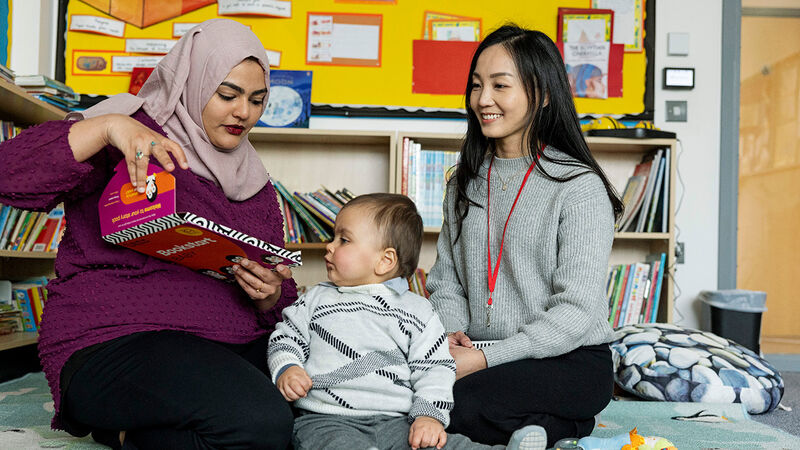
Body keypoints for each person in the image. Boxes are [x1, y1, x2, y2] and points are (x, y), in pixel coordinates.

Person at [0, 19, 295, 449]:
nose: (243, 113)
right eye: (227, 95)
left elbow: (280, 298)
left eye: (257, 99)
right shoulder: (126, 131)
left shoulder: (255, 183)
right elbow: (9, 174)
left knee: (322, 405)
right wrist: (106, 128)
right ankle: (125, 432)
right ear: (193, 83)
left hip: (227, 343)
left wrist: (270, 294)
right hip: (115, 339)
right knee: (262, 425)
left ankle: (133, 433)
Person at [426, 24, 625, 448]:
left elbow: (576, 311)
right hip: (478, 351)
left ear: (544, 94)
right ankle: (543, 428)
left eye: (500, 85)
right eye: (477, 85)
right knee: (408, 394)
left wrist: (483, 358)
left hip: (568, 358)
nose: (483, 99)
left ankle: (566, 423)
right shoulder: (462, 182)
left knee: (456, 405)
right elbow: (445, 280)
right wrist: (453, 333)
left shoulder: (578, 186)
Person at [267, 193, 546, 450]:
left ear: (385, 260)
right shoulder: (315, 298)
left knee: (445, 444)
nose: (329, 246)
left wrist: (428, 417)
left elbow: (435, 367)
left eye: (344, 240)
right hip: (326, 420)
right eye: (333, 237)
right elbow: (285, 336)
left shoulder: (417, 310)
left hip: (397, 422)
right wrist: (287, 368)